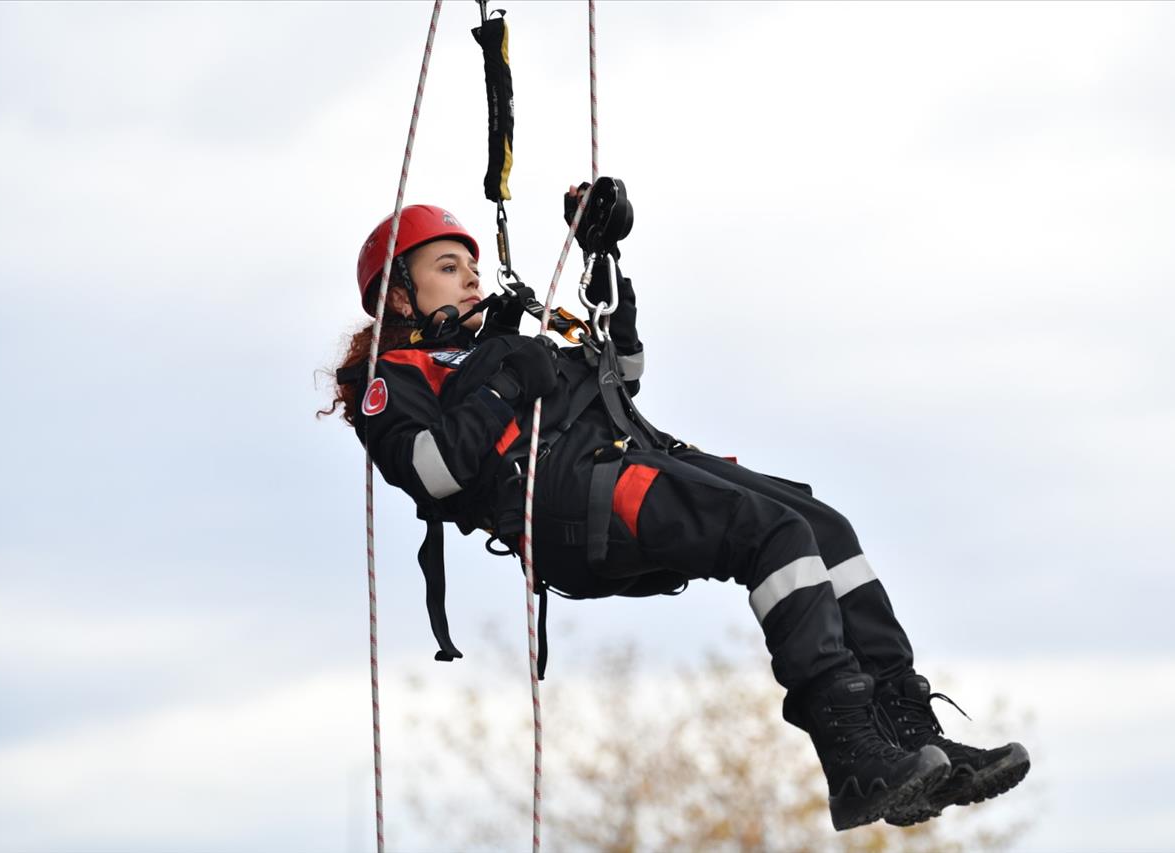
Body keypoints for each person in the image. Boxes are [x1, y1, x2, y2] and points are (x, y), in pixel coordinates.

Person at [322, 189, 1030, 832]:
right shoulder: (395, 381)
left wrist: (606, 263)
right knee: (772, 536)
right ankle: (849, 748)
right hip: (570, 503)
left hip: (629, 457)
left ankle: (906, 729)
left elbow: (620, 380)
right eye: (448, 266)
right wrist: (505, 382)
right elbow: (434, 474)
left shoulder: (506, 345)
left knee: (824, 527)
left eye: (470, 264)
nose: (471, 277)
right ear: (401, 297)